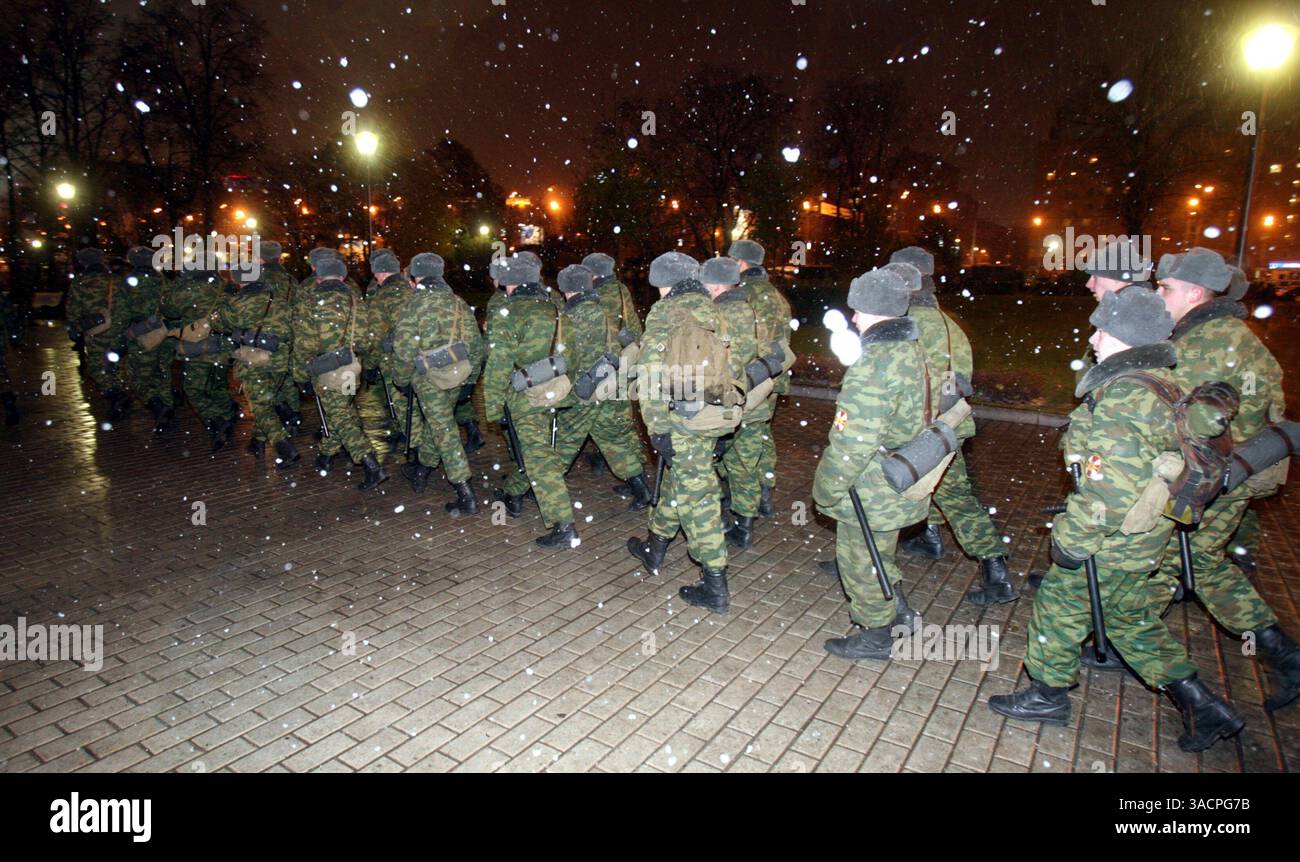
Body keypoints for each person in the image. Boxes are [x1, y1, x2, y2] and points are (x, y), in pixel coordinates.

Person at [990, 286, 1245, 752]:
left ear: (1122, 336)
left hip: (1115, 539)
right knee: (1126, 617)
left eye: (1101, 328)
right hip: (1147, 535)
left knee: (1059, 606)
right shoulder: (1161, 382)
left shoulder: (1127, 398)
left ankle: (1047, 694)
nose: (1093, 336)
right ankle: (1203, 705)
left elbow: (1110, 489)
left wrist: (1071, 539)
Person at [1154, 248, 1298, 712]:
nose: (1159, 296)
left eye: (1166, 288)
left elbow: (1177, 418)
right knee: (1184, 560)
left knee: (1195, 563)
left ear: (1195, 293)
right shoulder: (1232, 335)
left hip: (1214, 476)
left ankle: (1286, 657)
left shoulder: (1205, 343)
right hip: (1235, 470)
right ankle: (1129, 636)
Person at [887, 249, 1016, 606]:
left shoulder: (905, 324)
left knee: (877, 496)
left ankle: (865, 567)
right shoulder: (949, 326)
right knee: (950, 492)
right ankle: (935, 540)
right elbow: (952, 383)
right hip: (946, 428)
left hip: (918, 432)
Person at [811, 269, 928, 660]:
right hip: (904, 471)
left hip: (873, 484)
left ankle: (876, 634)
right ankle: (899, 612)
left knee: (859, 560)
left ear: (874, 310)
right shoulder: (911, 350)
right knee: (881, 551)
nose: (855, 319)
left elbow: (853, 441)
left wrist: (825, 488)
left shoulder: (874, 363)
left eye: (858, 310)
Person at [626, 252, 736, 612]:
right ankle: (655, 548)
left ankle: (715, 582)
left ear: (662, 284)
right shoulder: (716, 309)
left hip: (682, 419)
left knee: (698, 497)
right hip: (715, 415)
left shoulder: (666, 312)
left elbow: (650, 374)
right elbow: (735, 364)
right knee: (682, 480)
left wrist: (656, 427)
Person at [483, 254, 579, 547]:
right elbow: (571, 354)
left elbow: (498, 363)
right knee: (541, 453)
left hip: (524, 397)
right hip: (554, 391)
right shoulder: (555, 309)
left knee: (539, 460)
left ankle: (564, 526)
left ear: (510, 285)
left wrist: (492, 407)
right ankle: (516, 495)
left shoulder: (509, 313)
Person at [547, 264, 655, 508]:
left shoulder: (574, 316)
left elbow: (569, 358)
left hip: (586, 390)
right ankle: (641, 491)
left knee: (563, 443)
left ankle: (542, 488)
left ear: (567, 290)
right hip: (609, 385)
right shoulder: (602, 310)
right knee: (612, 439)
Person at [391, 252, 483, 514]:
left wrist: (401, 379)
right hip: (458, 372)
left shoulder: (413, 305)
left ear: (415, 277)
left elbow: (404, 349)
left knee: (444, 430)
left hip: (428, 377)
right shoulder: (458, 303)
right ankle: (421, 469)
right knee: (440, 423)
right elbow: (476, 344)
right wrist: (471, 379)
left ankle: (465, 492)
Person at [293, 256, 386, 490]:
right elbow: (366, 340)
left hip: (325, 369)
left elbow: (304, 344)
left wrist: (300, 375)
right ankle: (326, 453)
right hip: (351, 366)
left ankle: (371, 464)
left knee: (341, 416)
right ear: (343, 277)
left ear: (318, 277)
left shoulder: (310, 301)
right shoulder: (356, 301)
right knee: (342, 410)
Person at [212, 243, 300, 468]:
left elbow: (219, 323)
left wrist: (223, 300)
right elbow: (292, 331)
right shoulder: (279, 302)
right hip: (280, 361)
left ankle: (284, 447)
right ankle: (258, 442)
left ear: (239, 280)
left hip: (254, 361)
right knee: (266, 401)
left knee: (261, 407)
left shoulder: (237, 303)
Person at [700, 256, 762, 549]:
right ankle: (745, 525)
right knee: (743, 464)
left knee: (702, 462)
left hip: (724, 401)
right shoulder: (749, 308)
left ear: (714, 286)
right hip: (752, 399)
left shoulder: (717, 314)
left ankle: (714, 522)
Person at [730, 239, 793, 517]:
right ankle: (765, 491)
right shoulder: (775, 295)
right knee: (763, 436)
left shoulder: (745, 295)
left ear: (741, 263)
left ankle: (747, 501)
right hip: (773, 377)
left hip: (754, 379)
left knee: (745, 443)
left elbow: (746, 343)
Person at [161, 264, 236, 449]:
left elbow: (168, 309)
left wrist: (178, 281)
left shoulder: (187, 288)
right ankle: (227, 419)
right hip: (224, 346)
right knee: (219, 385)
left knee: (193, 389)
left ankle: (216, 421)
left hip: (198, 347)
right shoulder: (227, 286)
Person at [66, 248, 130, 420]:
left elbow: (73, 308)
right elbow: (127, 304)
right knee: (113, 363)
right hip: (117, 328)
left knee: (95, 365)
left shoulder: (81, 281)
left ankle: (115, 393)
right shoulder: (115, 279)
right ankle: (118, 391)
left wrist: (75, 326)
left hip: (96, 329)